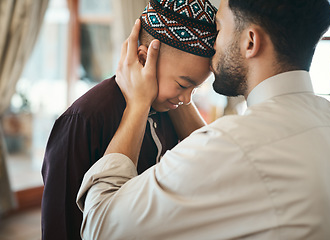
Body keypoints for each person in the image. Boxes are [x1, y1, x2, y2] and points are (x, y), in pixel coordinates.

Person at [77, 0, 330, 239]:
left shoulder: (234, 143)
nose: (211, 47)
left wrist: (138, 104)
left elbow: (101, 225)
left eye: (220, 29)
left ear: (250, 42)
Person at [41, 0, 218, 239]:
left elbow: (210, 168)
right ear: (144, 59)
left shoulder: (170, 111)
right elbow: (60, 225)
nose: (187, 99)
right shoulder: (84, 119)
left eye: (195, 89)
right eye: (183, 85)